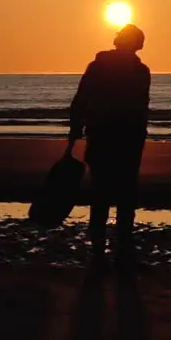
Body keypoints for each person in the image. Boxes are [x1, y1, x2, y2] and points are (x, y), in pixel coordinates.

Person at [66, 23, 151, 265]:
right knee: (125, 196)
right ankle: (121, 251)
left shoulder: (98, 67)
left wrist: (75, 130)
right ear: (136, 44)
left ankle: (99, 251)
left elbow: (80, 100)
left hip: (104, 137)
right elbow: (140, 108)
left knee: (101, 195)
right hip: (127, 140)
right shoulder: (140, 71)